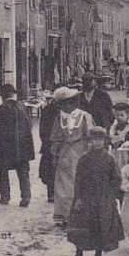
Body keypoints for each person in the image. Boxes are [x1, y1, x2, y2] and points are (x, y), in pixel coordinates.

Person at [64, 127, 124, 256]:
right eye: (94, 140)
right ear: (89, 141)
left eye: (100, 140)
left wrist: (113, 196)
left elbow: (116, 178)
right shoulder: (84, 158)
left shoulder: (109, 159)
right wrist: (78, 198)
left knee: (100, 227)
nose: (97, 143)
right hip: (85, 198)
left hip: (103, 198)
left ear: (105, 142)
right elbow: (78, 179)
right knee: (80, 227)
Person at [48, 86, 94, 228]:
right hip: (65, 155)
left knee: (80, 184)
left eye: (65, 103)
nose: (62, 107)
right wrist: (54, 155)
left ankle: (81, 215)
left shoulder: (84, 116)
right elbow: (55, 138)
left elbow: (91, 136)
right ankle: (65, 215)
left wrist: (91, 154)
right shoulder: (59, 118)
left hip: (81, 153)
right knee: (63, 187)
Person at [0, 84, 34, 207]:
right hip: (23, 146)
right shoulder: (22, 106)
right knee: (23, 172)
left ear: (4, 96)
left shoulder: (2, 108)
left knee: (3, 173)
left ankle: (5, 197)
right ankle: (26, 196)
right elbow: (29, 125)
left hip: (6, 147)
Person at [38, 93, 60, 202]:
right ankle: (52, 193)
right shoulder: (48, 110)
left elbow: (42, 129)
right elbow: (43, 129)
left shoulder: (47, 109)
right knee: (51, 170)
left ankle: (52, 193)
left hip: (50, 143)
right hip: (51, 143)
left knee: (51, 170)